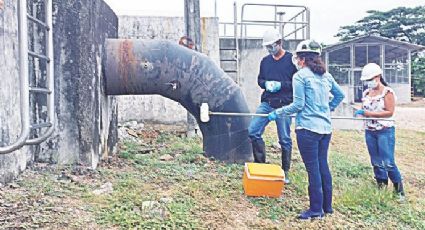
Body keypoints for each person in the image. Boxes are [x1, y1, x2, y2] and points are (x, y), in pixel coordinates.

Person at [268, 39, 345, 219]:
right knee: (323, 166)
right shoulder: (326, 76)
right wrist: (328, 107)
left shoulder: (300, 76)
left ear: (302, 59)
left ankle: (316, 210)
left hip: (307, 129)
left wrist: (278, 113)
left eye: (297, 57)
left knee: (313, 170)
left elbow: (297, 105)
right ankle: (327, 207)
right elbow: (340, 95)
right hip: (325, 129)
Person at [248, 28, 297, 184]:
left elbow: (296, 83)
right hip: (267, 103)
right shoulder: (265, 61)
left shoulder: (291, 61)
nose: (270, 49)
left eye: (271, 46)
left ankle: (285, 171)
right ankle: (260, 164)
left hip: (284, 105)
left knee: (284, 138)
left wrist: (281, 85)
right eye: (267, 47)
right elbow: (260, 80)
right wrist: (266, 84)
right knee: (253, 131)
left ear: (279, 43)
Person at [354, 63, 405, 198]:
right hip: (370, 131)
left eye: (370, 79)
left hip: (384, 130)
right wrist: (361, 115)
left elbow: (389, 112)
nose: (369, 83)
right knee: (375, 161)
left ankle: (399, 190)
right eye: (367, 80)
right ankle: (381, 185)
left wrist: (369, 114)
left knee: (388, 161)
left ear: (378, 77)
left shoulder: (387, 92)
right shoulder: (366, 93)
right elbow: (364, 108)